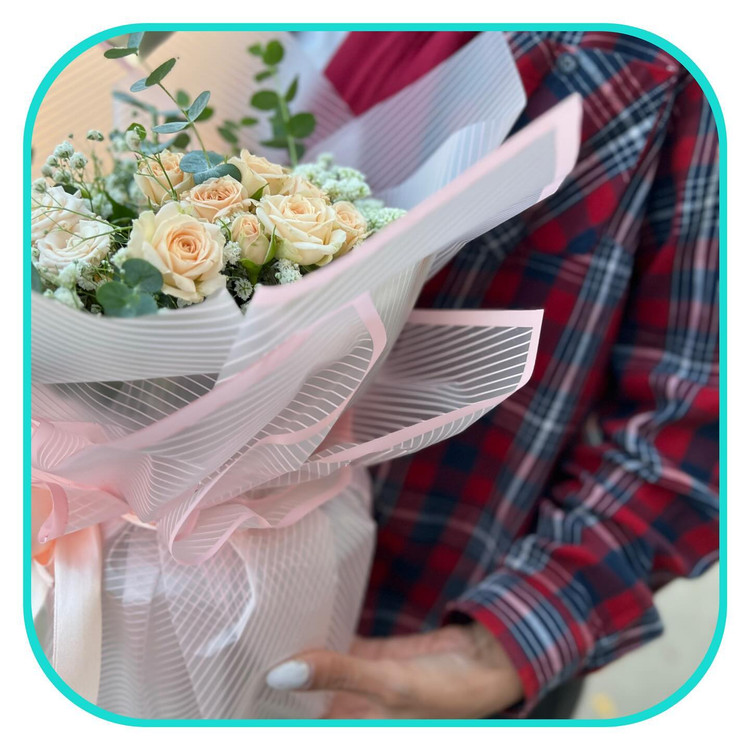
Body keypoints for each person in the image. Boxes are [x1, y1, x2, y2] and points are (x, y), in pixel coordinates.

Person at [265, 31, 721, 719]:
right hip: (191, 572)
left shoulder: (671, 60)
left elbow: (703, 411)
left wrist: (516, 634)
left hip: (425, 631)